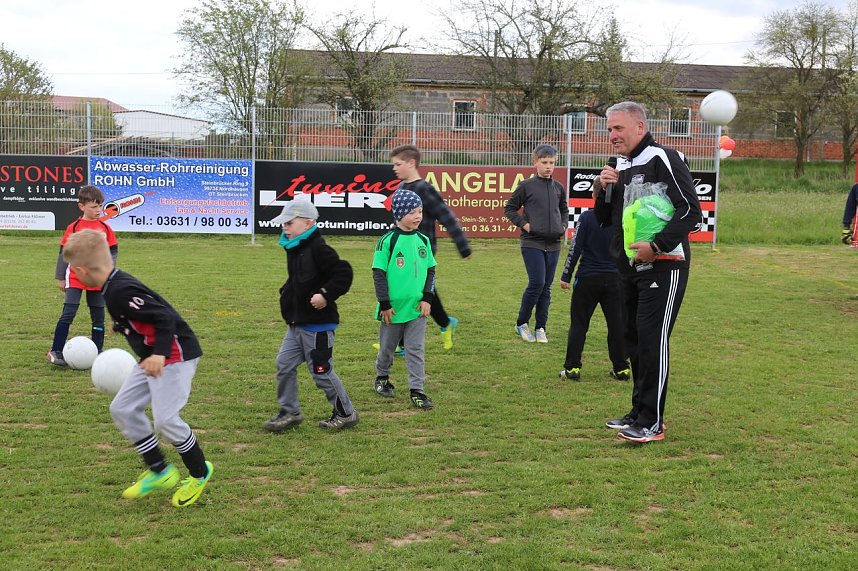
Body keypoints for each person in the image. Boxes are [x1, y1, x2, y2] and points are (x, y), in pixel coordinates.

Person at [61, 229, 212, 507]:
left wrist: (160, 354)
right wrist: (122, 326)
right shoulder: (112, 287)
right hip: (151, 356)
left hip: (175, 355)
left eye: (72, 270)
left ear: (82, 271)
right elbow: (141, 315)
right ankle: (160, 471)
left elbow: (163, 316)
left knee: (166, 421)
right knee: (123, 408)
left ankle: (200, 473)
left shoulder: (120, 290)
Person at [594, 101, 701, 443]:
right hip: (628, 267)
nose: (612, 135)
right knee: (634, 339)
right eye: (609, 129)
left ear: (640, 127)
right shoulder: (619, 165)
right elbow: (604, 219)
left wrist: (655, 245)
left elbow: (691, 212)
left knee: (652, 340)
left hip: (664, 264)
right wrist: (602, 189)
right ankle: (638, 412)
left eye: (618, 128)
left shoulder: (663, 158)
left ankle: (652, 422)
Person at [264, 200, 359, 433]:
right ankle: (290, 412)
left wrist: (325, 294)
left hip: (318, 326)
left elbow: (343, 272)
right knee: (284, 364)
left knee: (321, 372)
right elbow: (300, 279)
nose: (285, 227)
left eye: (289, 223)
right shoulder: (295, 248)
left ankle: (346, 413)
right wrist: (287, 292)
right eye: (283, 223)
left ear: (308, 223)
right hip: (297, 323)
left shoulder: (319, 248)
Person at [389, 144, 472, 350]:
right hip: (404, 249)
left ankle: (402, 343)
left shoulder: (424, 189)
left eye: (398, 164)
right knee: (414, 291)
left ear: (411, 163)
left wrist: (463, 247)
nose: (394, 168)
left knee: (416, 291)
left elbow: (446, 217)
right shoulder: (401, 188)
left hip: (421, 251)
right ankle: (444, 323)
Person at [372, 189, 436, 410]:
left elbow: (431, 270)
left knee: (416, 349)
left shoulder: (423, 240)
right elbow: (378, 273)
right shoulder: (388, 241)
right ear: (399, 214)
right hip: (393, 309)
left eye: (420, 211)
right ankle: (382, 378)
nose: (418, 216)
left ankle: (417, 390)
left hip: (417, 308)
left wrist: (427, 298)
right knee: (387, 348)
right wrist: (384, 303)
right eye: (412, 212)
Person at [558, 193, 630, 382]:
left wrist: (566, 275)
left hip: (587, 278)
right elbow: (629, 248)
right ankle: (621, 368)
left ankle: (572, 368)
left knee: (579, 324)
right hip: (615, 280)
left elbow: (575, 247)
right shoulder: (622, 218)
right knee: (617, 325)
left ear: (594, 195)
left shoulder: (586, 217)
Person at [504, 144, 569, 344]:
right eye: (544, 162)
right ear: (535, 163)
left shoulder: (558, 187)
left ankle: (541, 327)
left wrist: (563, 226)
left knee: (546, 287)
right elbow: (510, 208)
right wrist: (525, 225)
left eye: (552, 162)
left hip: (554, 244)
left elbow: (564, 210)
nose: (548, 166)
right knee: (537, 283)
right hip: (532, 243)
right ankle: (521, 323)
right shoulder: (526, 186)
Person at [48, 185, 118, 366]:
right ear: (81, 206)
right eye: (94, 207)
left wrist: (107, 274)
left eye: (100, 206)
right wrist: (61, 277)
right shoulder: (74, 228)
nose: (98, 210)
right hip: (75, 278)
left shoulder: (105, 228)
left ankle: (97, 351)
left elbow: (113, 252)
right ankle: (55, 350)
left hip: (97, 280)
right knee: (68, 313)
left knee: (98, 316)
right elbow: (63, 253)